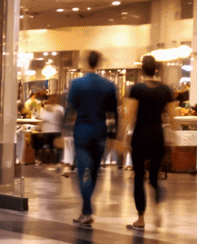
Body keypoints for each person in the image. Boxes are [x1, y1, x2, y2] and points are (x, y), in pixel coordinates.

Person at [119, 55, 173, 231]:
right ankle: (157, 209)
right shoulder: (166, 89)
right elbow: (172, 117)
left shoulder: (135, 89)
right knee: (155, 176)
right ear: (156, 69)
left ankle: (141, 218)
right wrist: (171, 136)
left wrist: (124, 136)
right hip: (158, 136)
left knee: (139, 177)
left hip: (140, 135)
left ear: (142, 69)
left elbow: (129, 114)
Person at [65, 50, 117, 227]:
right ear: (99, 62)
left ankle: (87, 210)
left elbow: (70, 109)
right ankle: (86, 210)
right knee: (94, 171)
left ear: (87, 62)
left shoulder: (77, 84)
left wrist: (63, 131)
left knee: (82, 171)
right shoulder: (109, 85)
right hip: (100, 132)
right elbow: (113, 114)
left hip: (82, 132)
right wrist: (113, 135)